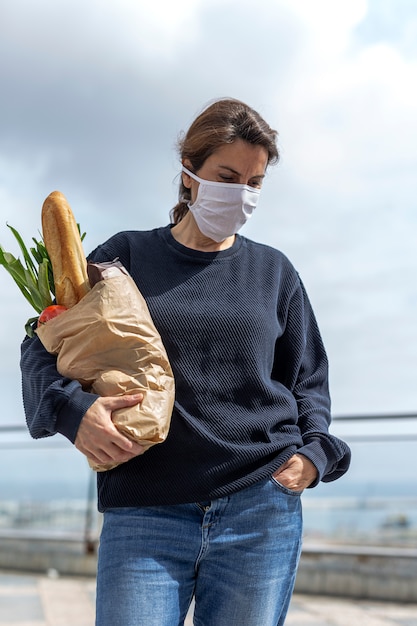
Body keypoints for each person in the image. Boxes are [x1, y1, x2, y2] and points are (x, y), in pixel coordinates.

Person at [21, 97, 351, 626]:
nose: (241, 193)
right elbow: (41, 342)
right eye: (227, 175)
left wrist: (312, 455)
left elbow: (309, 379)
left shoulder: (275, 273)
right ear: (189, 174)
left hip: (260, 509)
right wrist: (71, 413)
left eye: (254, 182)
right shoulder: (122, 259)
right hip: (144, 509)